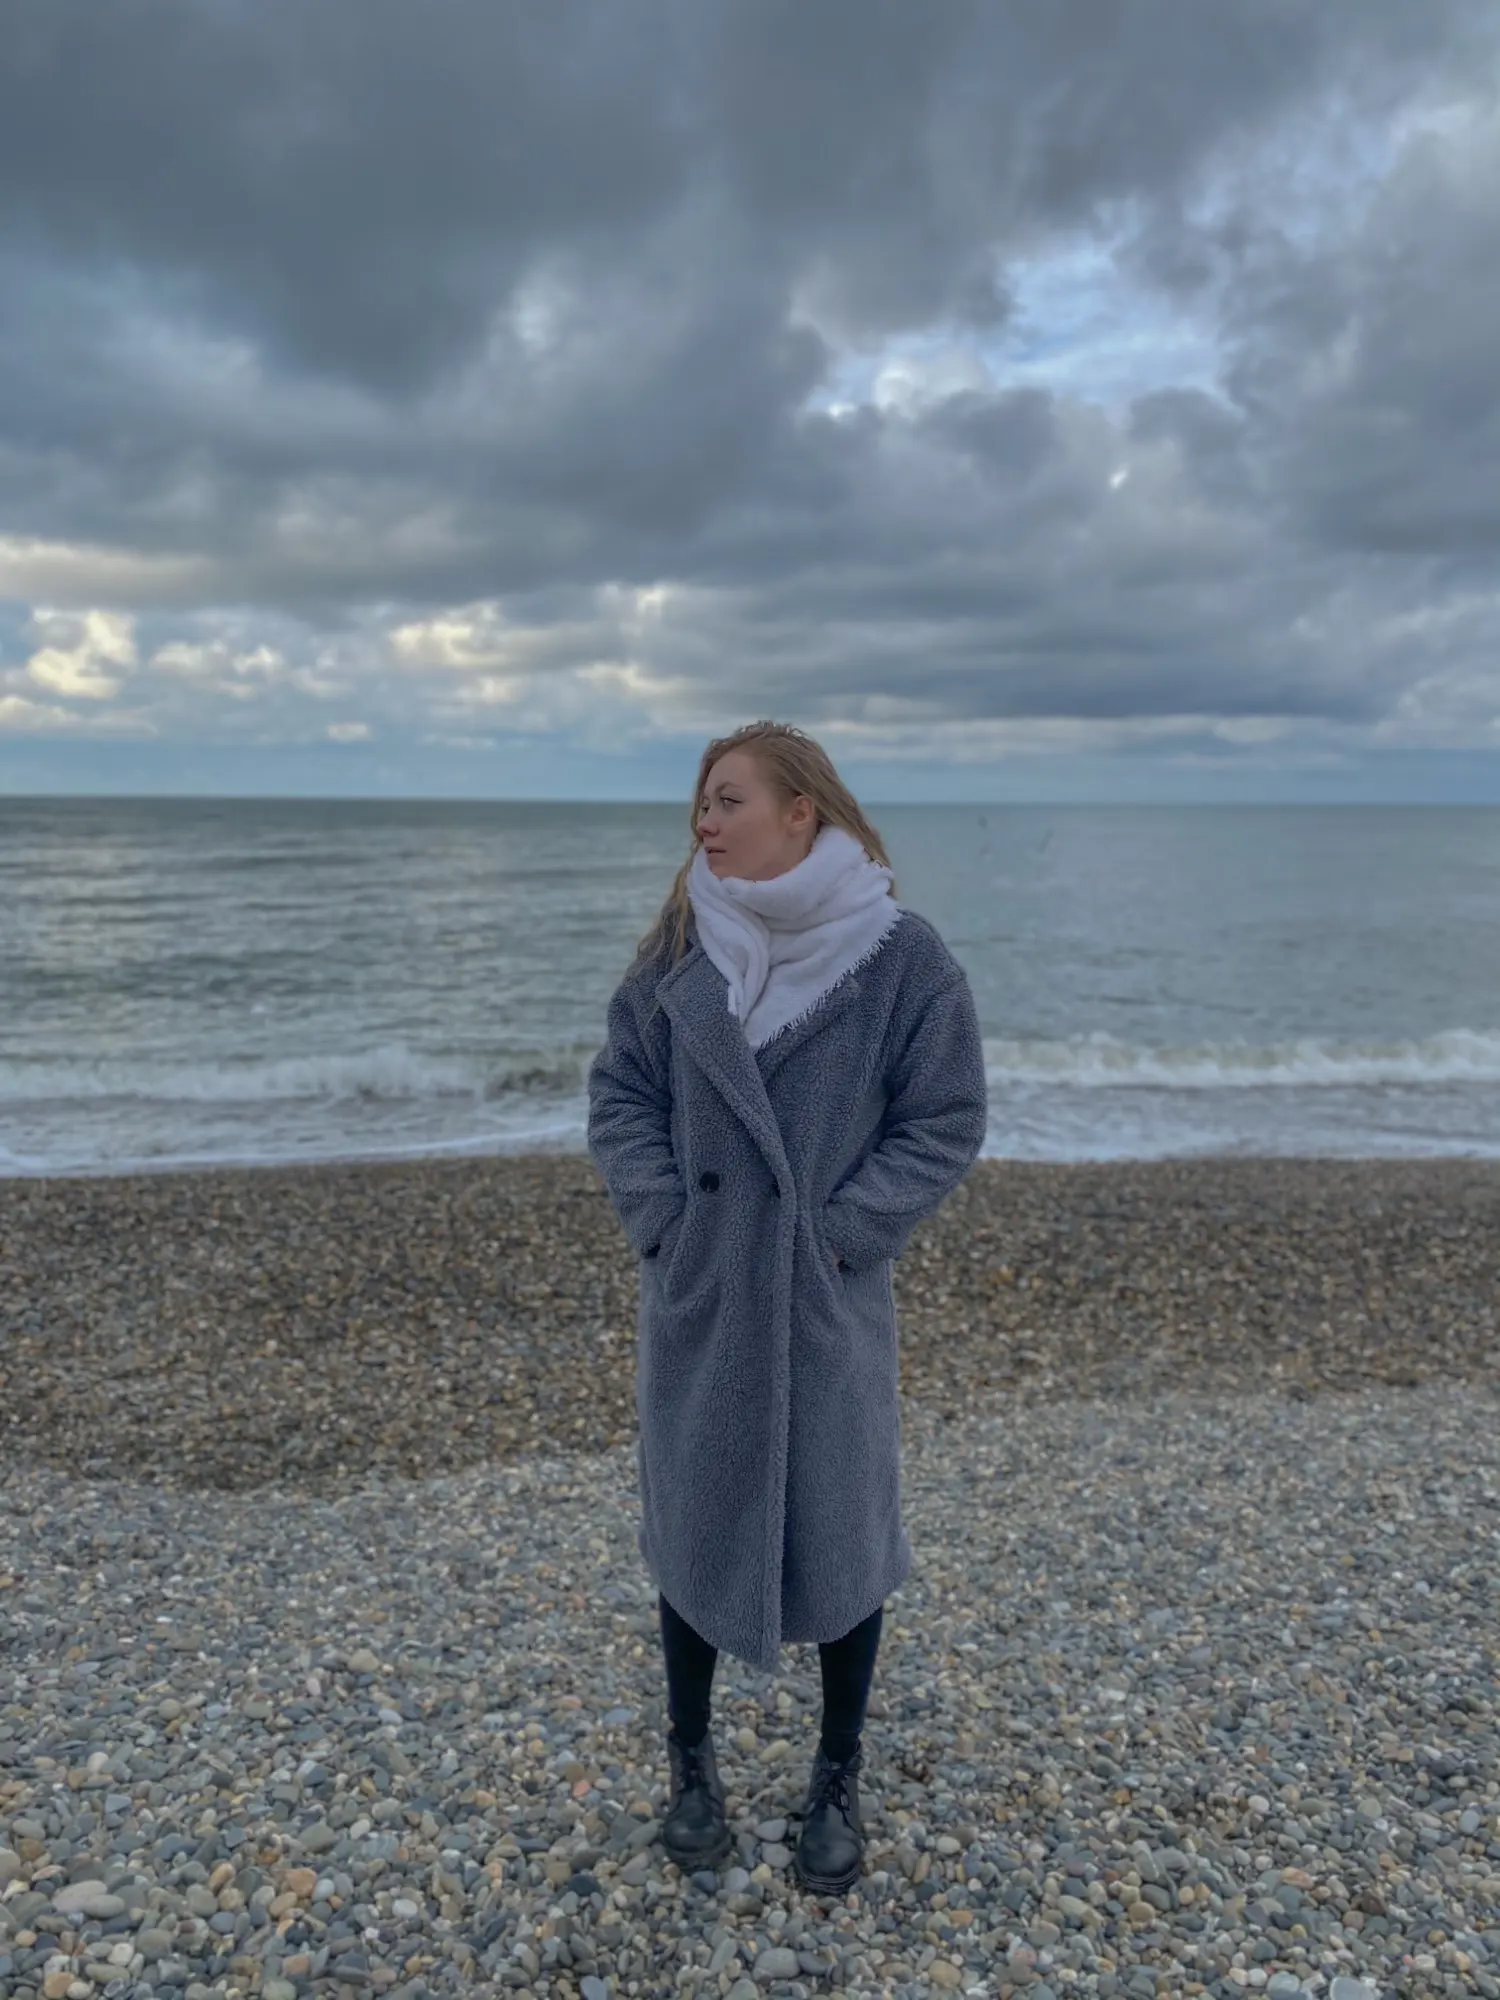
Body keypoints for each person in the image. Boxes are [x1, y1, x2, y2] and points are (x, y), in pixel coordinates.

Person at [586, 719, 989, 1895]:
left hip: (822, 1297)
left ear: (800, 810)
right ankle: (692, 1761)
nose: (703, 822)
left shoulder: (901, 957)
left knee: (845, 1531)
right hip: (706, 1291)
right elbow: (620, 1095)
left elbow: (946, 1116)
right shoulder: (679, 950)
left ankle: (836, 1771)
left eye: (728, 799)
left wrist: (843, 1234)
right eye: (701, 802)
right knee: (695, 1522)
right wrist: (669, 1224)